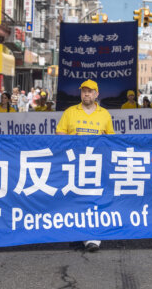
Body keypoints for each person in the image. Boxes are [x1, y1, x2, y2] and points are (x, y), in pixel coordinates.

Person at [56, 79, 114, 252]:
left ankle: (93, 235)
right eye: (84, 91)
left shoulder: (105, 114)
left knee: (95, 199)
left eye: (90, 91)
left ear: (97, 94)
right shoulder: (70, 112)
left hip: (96, 165)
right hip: (74, 164)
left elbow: (111, 138)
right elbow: (60, 132)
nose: (86, 94)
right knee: (76, 199)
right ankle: (79, 233)